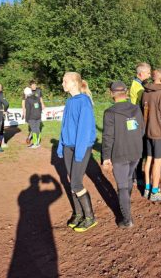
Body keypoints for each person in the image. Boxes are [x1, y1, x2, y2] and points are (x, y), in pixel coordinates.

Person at [57, 72, 97, 232]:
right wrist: (61, 146)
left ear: (74, 83)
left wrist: (79, 152)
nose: (62, 84)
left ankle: (90, 217)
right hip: (68, 147)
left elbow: (85, 130)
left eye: (65, 81)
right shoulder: (69, 102)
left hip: (81, 147)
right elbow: (65, 126)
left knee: (76, 182)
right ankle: (78, 214)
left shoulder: (84, 102)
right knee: (71, 180)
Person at [102, 81, 144, 228]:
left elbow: (108, 137)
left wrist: (106, 157)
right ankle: (126, 204)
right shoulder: (136, 109)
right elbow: (141, 131)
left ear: (111, 93)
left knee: (122, 187)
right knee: (127, 179)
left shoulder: (110, 112)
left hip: (119, 154)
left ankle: (127, 220)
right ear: (126, 93)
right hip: (136, 152)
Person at [142, 69, 161, 202]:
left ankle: (147, 188)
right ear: (160, 79)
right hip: (159, 132)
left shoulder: (145, 92)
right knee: (158, 162)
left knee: (149, 159)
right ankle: (154, 191)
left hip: (147, 131)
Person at [130, 62, 151, 184]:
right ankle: (136, 176)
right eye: (148, 73)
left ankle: (135, 174)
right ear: (141, 73)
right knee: (139, 149)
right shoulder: (138, 88)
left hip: (135, 119)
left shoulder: (136, 84)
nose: (149, 75)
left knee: (138, 148)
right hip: (137, 120)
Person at [22, 80, 45, 144]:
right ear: (30, 86)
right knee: (34, 127)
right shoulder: (27, 92)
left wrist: (42, 104)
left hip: (35, 112)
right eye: (33, 85)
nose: (35, 86)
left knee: (35, 127)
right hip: (34, 111)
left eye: (35, 85)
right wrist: (23, 110)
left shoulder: (38, 91)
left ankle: (35, 142)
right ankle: (33, 139)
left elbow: (40, 98)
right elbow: (23, 101)